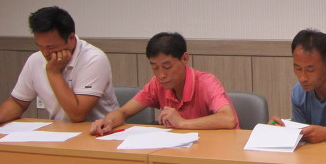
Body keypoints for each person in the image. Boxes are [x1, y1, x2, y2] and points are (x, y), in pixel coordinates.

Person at [0, 6, 117, 126]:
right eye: (40, 46)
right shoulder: (35, 59)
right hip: (58, 132)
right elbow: (18, 103)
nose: (45, 53)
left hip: (98, 133)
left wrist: (53, 73)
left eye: (51, 47)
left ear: (71, 39)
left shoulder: (93, 58)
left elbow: (77, 115)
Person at [91, 32, 237, 134]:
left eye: (167, 67)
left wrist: (182, 123)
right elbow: (123, 112)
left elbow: (228, 119)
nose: (161, 75)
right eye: (155, 67)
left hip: (216, 149)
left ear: (184, 59)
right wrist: (108, 122)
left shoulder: (207, 83)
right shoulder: (156, 84)